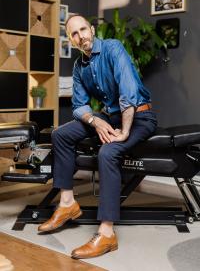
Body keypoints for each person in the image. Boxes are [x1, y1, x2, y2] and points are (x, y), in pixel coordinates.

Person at [38, 15, 157, 259]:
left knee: (108, 151)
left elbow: (128, 92)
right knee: (61, 134)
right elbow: (79, 106)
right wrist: (96, 120)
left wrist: (124, 132)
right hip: (108, 117)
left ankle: (106, 234)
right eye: (74, 33)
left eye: (83, 29)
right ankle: (68, 204)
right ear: (71, 40)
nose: (81, 36)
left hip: (140, 117)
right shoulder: (79, 67)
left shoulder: (113, 48)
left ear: (92, 29)